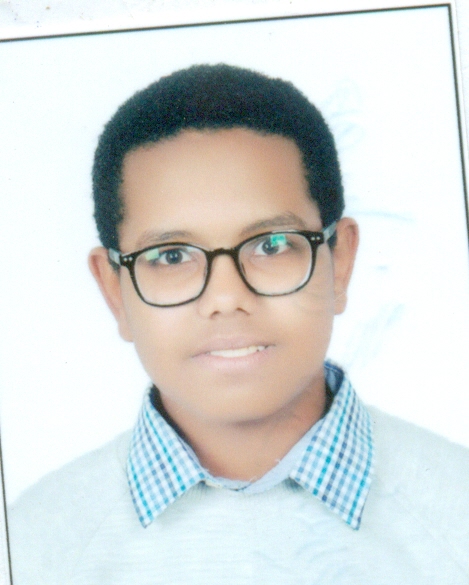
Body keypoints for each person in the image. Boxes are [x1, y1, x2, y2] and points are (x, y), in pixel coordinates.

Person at [8, 64, 469, 585]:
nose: (226, 299)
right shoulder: (32, 545)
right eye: (171, 255)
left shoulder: (458, 511)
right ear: (114, 291)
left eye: (272, 245)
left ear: (340, 262)